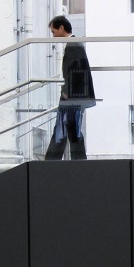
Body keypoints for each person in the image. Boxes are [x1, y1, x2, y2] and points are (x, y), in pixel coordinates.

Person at [45, 15, 95, 160]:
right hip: (75, 96)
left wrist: (67, 92)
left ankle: (50, 163)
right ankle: (77, 162)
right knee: (71, 130)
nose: (53, 36)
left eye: (54, 31)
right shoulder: (74, 44)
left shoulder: (73, 45)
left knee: (63, 129)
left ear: (61, 28)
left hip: (73, 97)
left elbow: (77, 71)